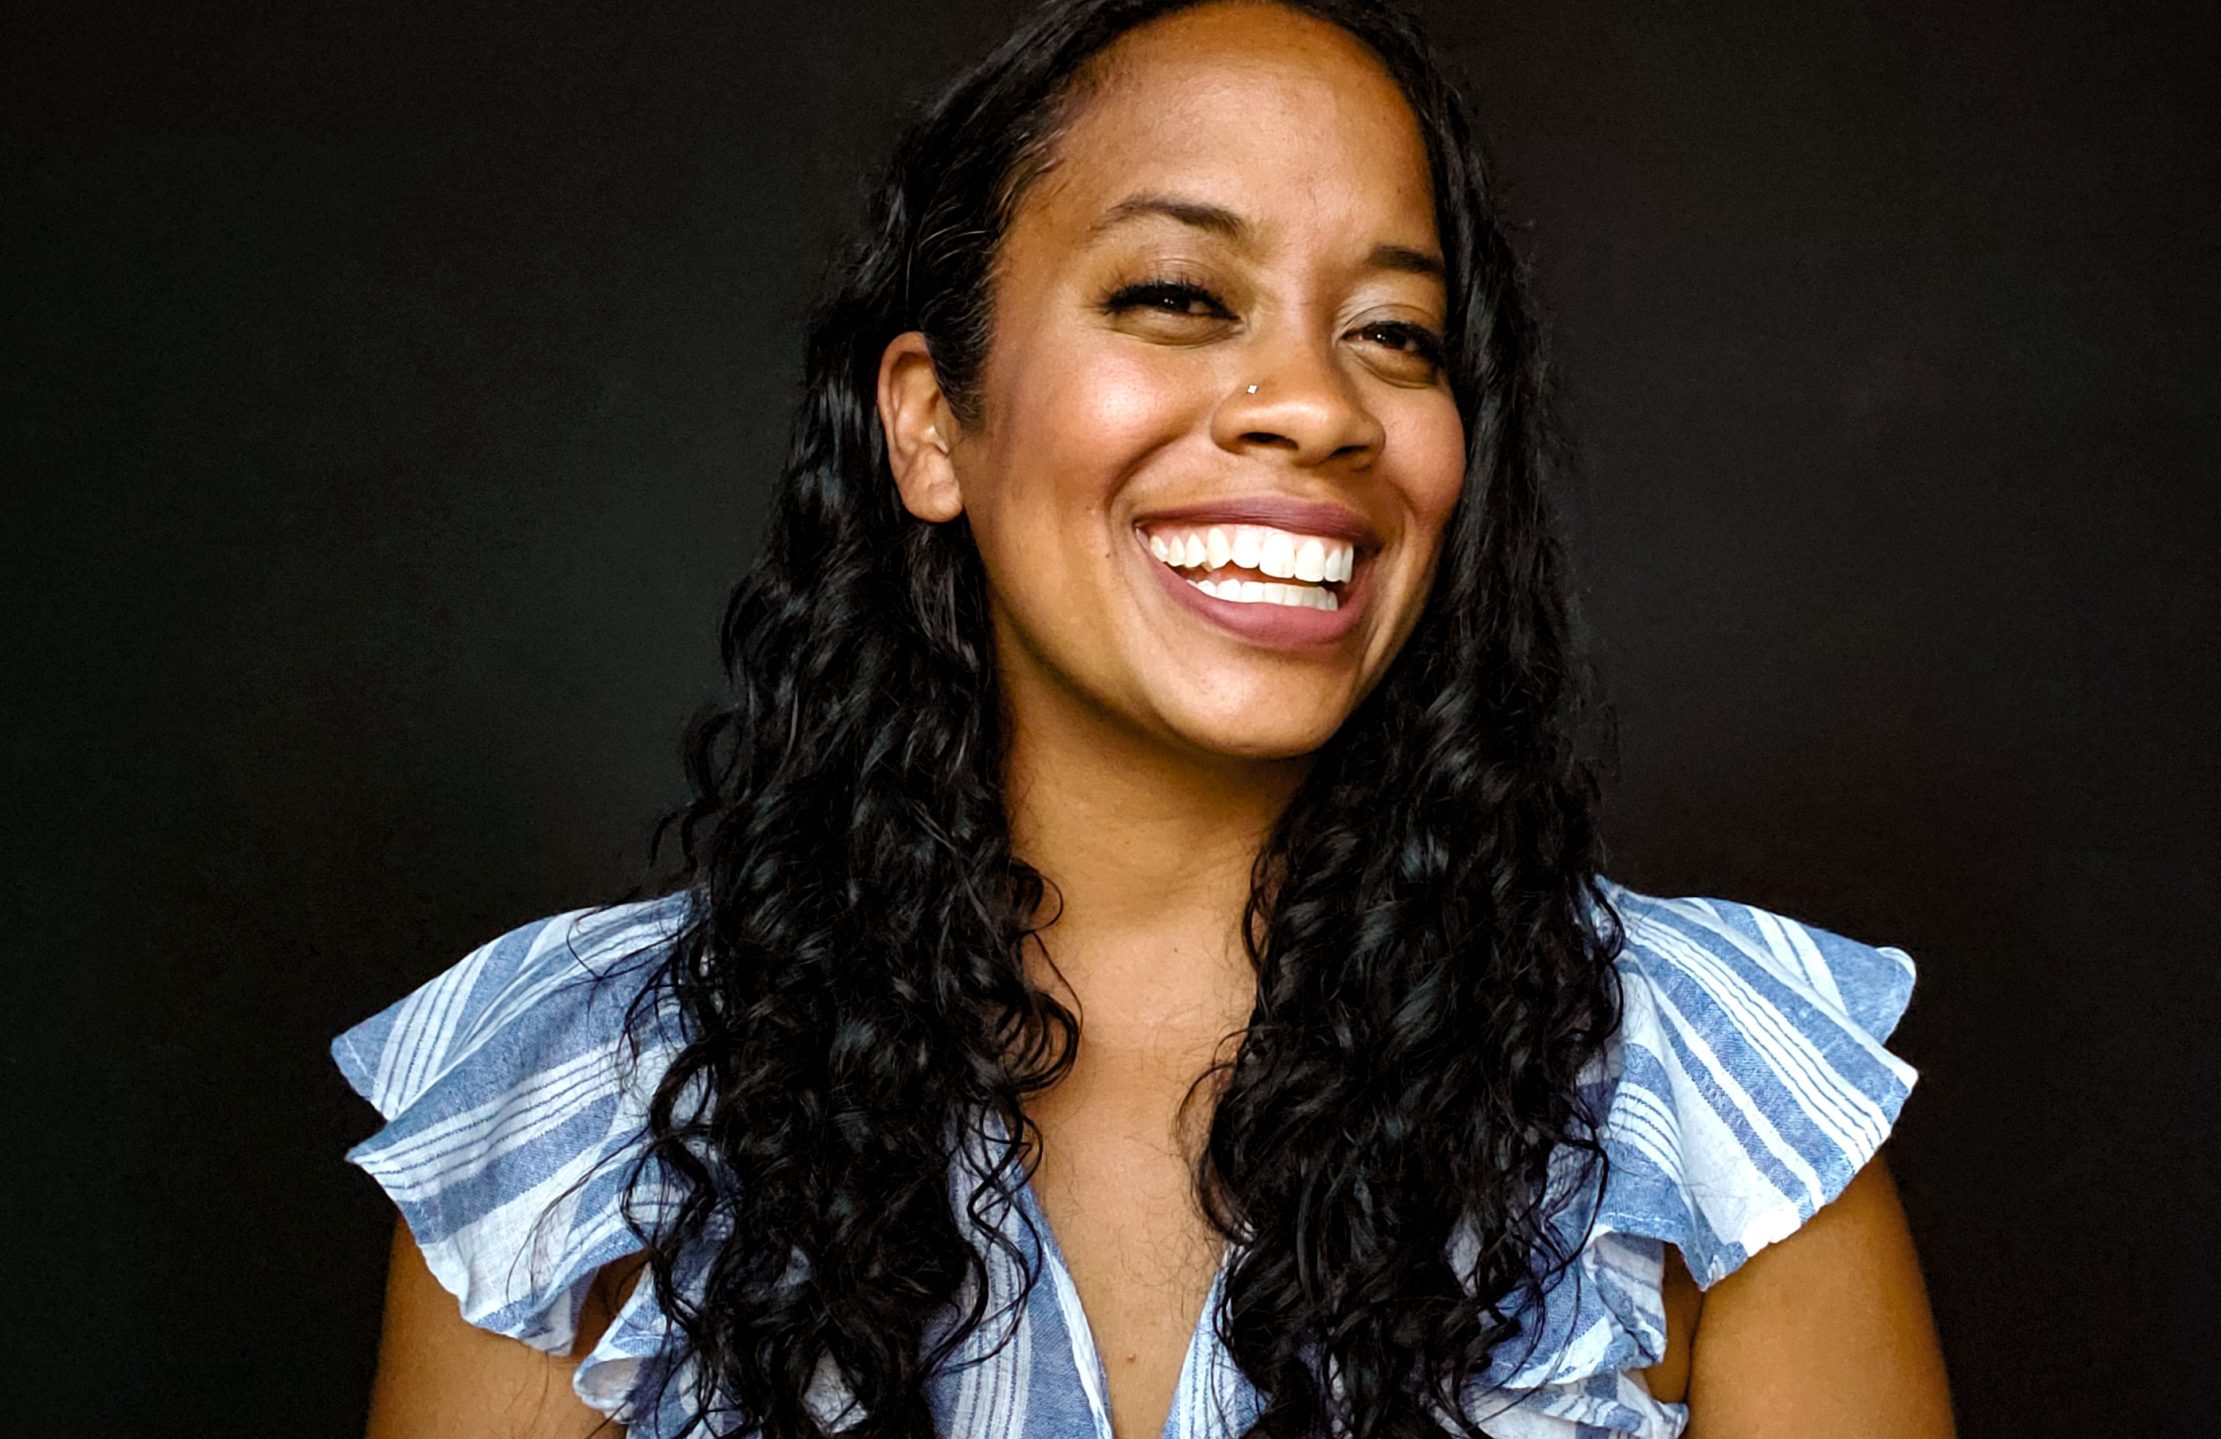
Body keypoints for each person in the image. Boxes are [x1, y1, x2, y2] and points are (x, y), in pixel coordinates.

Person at [329, 1, 1956, 1436]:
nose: (1316, 405)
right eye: (1178, 294)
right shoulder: (591, 1107)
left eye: (1395, 333)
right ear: (931, 426)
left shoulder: (1702, 1097)